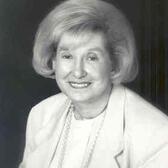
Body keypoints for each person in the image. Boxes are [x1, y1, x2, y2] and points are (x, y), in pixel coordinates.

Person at [19, 0, 168, 167]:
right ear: (54, 61)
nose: (77, 72)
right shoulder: (40, 115)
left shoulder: (157, 135)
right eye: (67, 56)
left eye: (92, 57)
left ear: (114, 63)